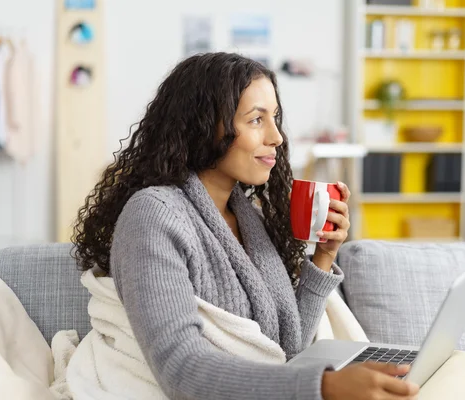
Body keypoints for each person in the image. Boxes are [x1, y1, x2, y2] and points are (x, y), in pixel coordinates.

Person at [72, 52, 420, 400]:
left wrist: (324, 257)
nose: (277, 137)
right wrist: (324, 387)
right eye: (256, 120)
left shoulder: (247, 216)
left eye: (276, 118)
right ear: (205, 126)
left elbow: (287, 347)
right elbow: (180, 370)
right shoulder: (153, 215)